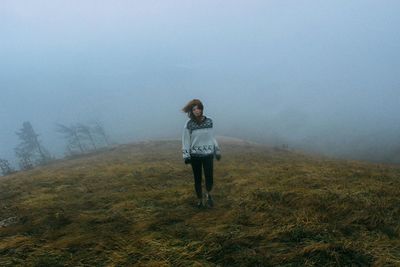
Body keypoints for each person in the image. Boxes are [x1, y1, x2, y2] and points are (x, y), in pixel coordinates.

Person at [181, 99, 221, 208]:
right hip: (195, 156)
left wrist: (217, 150)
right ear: (191, 111)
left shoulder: (209, 121)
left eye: (198, 108)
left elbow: (212, 137)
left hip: (208, 154)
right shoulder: (189, 124)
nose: (197, 111)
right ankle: (200, 200)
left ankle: (208, 195)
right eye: (194, 109)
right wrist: (186, 155)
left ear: (202, 109)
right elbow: (185, 140)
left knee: (209, 177)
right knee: (197, 179)